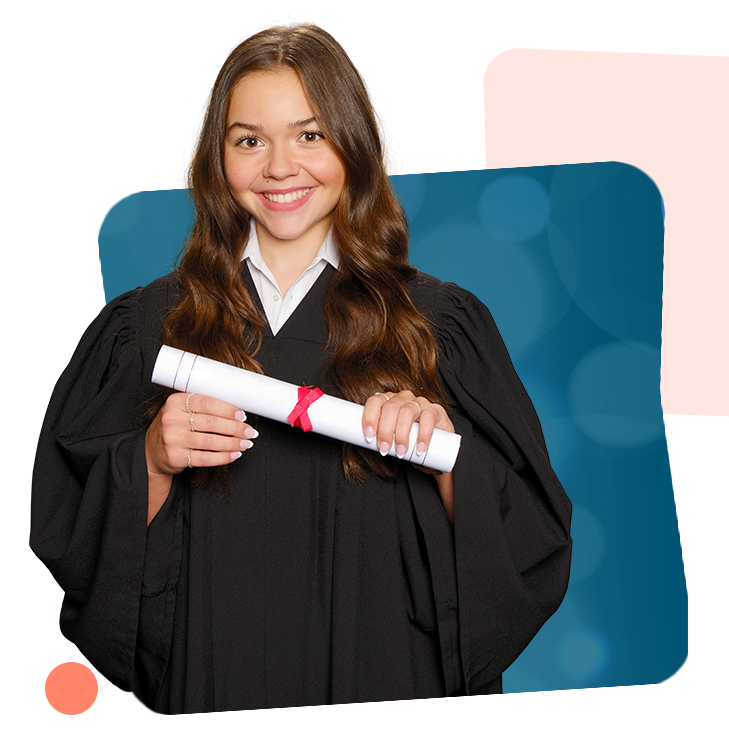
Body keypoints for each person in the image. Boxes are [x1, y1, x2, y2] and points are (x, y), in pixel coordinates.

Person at [30, 20, 572, 714]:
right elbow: (69, 526)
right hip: (218, 685)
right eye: (249, 139)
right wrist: (152, 461)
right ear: (216, 158)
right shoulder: (148, 329)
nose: (280, 166)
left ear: (353, 144)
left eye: (310, 134)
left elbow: (529, 541)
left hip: (385, 681)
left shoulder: (437, 325)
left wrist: (444, 455)